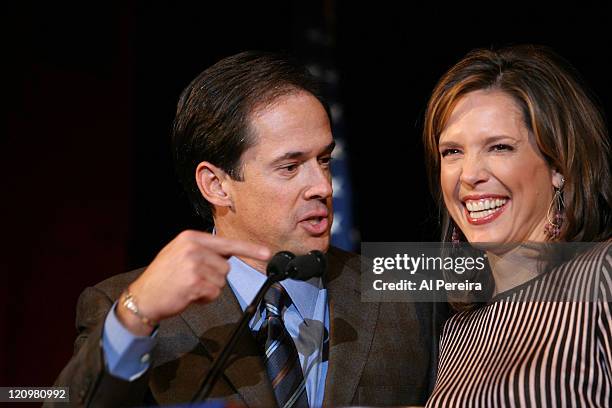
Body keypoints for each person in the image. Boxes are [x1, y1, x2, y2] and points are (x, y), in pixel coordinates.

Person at [49, 51, 435, 407]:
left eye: (324, 159)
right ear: (216, 185)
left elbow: (488, 271)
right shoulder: (126, 304)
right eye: (290, 166)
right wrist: (135, 316)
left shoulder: (403, 276)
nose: (322, 185)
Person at [422, 44, 612, 407]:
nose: (470, 175)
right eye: (452, 152)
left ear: (558, 166)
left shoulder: (602, 275)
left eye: (499, 148)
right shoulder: (458, 331)